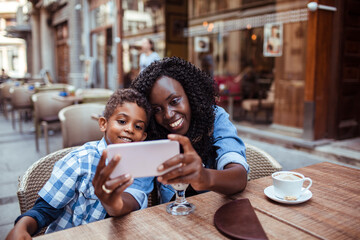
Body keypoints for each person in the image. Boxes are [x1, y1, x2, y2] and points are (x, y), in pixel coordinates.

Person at [6, 88, 152, 239]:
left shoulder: (142, 167)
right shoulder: (80, 161)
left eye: (138, 126)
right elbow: (46, 210)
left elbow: (131, 202)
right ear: (103, 124)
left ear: (143, 136)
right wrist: (22, 226)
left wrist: (113, 202)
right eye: (122, 121)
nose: (129, 129)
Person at [131, 56, 249, 204]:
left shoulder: (214, 118)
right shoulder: (153, 132)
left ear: (190, 94)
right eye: (157, 109)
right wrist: (113, 203)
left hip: (216, 214)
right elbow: (136, 190)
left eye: (174, 101)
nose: (168, 114)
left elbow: (239, 177)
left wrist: (205, 177)